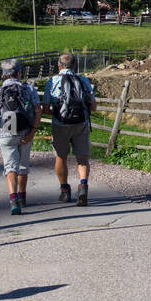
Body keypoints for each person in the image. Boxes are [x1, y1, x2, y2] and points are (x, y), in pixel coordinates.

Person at [0, 59, 42, 216]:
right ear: (18, 73)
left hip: (5, 134)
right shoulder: (29, 89)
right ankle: (23, 197)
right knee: (23, 166)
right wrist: (32, 132)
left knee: (10, 167)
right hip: (25, 132)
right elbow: (38, 111)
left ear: (3, 74)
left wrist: (0, 118)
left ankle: (13, 200)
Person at [45, 52, 98, 205]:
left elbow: (46, 109)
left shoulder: (52, 81)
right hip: (81, 124)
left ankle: (65, 191)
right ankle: (82, 186)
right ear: (75, 66)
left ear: (58, 65)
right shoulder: (83, 80)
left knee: (61, 157)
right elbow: (93, 106)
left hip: (60, 124)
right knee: (82, 158)